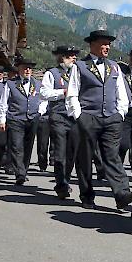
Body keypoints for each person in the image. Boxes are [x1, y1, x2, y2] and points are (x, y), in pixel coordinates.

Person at [66, 30, 132, 210]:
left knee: (112, 156)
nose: (107, 47)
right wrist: (79, 116)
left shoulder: (114, 66)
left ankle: (122, 194)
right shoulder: (79, 66)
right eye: (103, 43)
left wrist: (120, 113)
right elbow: (72, 94)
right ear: (92, 45)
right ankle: (87, 195)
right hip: (88, 117)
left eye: (108, 44)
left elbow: (122, 93)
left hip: (111, 118)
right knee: (85, 158)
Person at [0, 59, 48, 185]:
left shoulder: (37, 84)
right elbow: (3, 103)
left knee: (28, 146)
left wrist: (40, 112)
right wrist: (2, 120)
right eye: (25, 68)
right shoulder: (11, 84)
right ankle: (19, 173)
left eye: (30, 68)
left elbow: (44, 99)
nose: (28, 70)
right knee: (16, 145)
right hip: (15, 118)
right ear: (19, 69)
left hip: (32, 118)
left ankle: (24, 169)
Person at [41, 45, 81, 198]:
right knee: (60, 152)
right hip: (58, 116)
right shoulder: (51, 73)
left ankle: (65, 180)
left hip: (74, 116)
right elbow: (44, 93)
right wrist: (62, 92)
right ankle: (61, 184)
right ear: (62, 57)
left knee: (71, 152)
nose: (74, 58)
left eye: (75, 55)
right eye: (71, 55)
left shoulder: (77, 73)